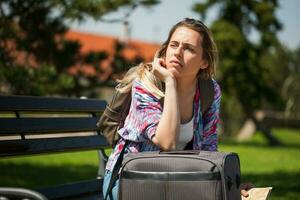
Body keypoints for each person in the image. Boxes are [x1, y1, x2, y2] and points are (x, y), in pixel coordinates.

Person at [103, 18, 251, 199]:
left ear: (204, 61)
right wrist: (170, 82)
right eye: (174, 45)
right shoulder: (146, 83)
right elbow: (167, 141)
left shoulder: (209, 91)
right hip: (131, 179)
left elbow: (209, 148)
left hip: (177, 180)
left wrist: (228, 186)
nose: (178, 52)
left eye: (188, 48)